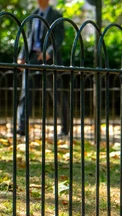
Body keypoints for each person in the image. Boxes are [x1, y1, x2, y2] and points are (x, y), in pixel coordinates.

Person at [16, 0, 69, 137]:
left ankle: (65, 128)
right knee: (25, 92)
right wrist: (22, 55)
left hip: (50, 59)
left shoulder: (56, 15)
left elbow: (59, 38)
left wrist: (49, 52)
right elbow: (28, 37)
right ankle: (22, 128)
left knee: (56, 93)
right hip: (32, 57)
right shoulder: (33, 15)